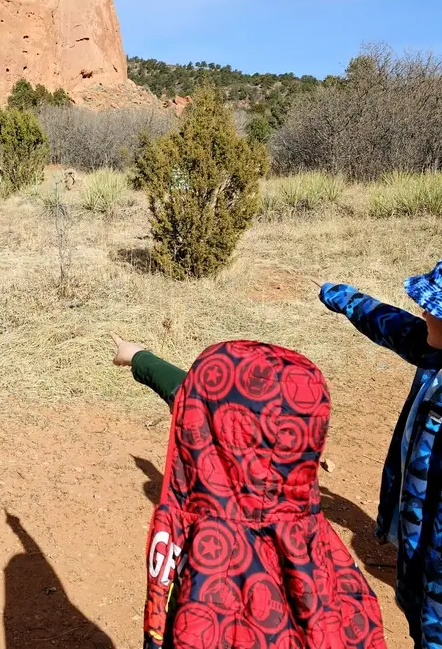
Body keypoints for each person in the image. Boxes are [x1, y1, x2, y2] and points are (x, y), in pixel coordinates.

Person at [111, 335, 387, 649]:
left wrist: (138, 357)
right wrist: (139, 358)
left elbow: (199, 402)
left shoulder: (209, 566)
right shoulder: (325, 557)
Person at [319, 260, 442, 648]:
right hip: (418, 559)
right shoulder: (434, 354)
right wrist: (343, 297)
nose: (424, 312)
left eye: (434, 309)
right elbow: (392, 325)